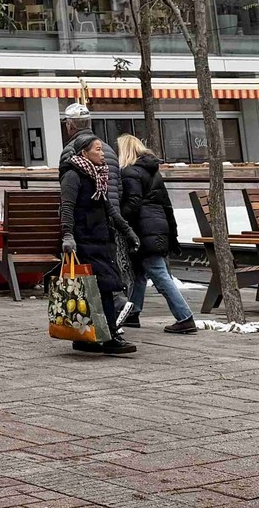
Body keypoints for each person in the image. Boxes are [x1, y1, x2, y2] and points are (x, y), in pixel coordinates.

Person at [58, 131, 138, 356]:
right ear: (84, 153)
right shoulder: (72, 175)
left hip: (100, 237)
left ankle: (87, 337)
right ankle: (110, 336)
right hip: (84, 240)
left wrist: (127, 231)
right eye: (98, 149)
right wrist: (68, 235)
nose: (102, 153)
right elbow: (67, 207)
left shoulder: (96, 175)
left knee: (99, 288)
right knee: (101, 288)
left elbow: (108, 208)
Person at [116, 135, 198, 335]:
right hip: (158, 225)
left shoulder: (129, 172)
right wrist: (172, 234)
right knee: (139, 273)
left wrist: (118, 220)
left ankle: (185, 317)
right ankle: (132, 313)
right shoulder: (153, 172)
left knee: (159, 274)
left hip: (144, 228)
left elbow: (133, 203)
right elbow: (167, 205)